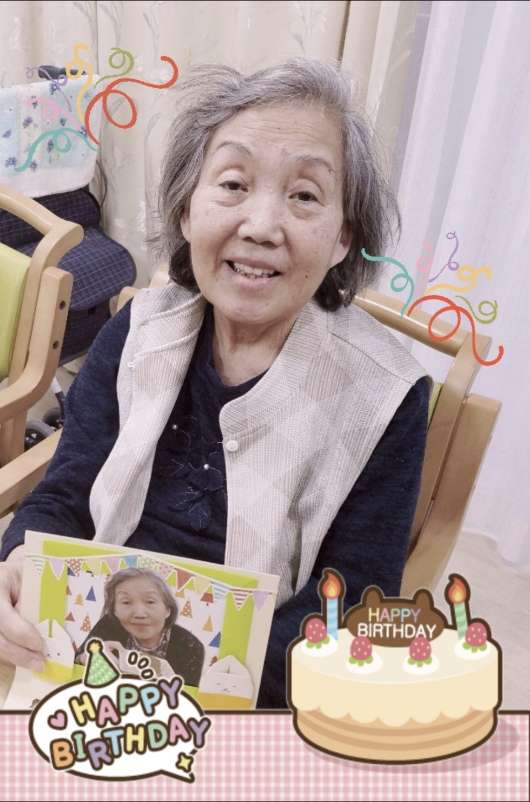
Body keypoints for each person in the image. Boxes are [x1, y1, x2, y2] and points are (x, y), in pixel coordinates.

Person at [0, 57, 431, 707]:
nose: (260, 226)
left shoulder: (386, 397)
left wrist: (196, 682)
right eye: (233, 183)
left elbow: (348, 608)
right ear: (186, 210)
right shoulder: (137, 329)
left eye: (304, 195)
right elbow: (67, 494)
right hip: (86, 655)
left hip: (252, 692)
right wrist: (18, 564)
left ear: (343, 236)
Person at [74, 568, 204, 687]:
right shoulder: (108, 625)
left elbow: (188, 696)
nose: (139, 613)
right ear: (114, 610)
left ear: (168, 610)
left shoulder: (190, 646)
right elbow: (75, 662)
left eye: (150, 601)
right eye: (126, 602)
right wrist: (89, 657)